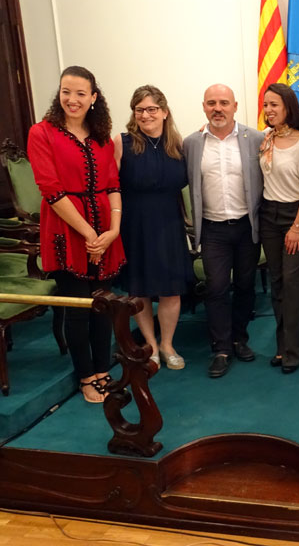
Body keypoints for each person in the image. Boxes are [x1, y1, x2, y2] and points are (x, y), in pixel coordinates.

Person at [27, 65, 125, 403]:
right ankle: (85, 376)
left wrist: (112, 230)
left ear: (94, 98)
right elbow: (50, 190)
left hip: (104, 230)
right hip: (66, 230)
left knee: (103, 305)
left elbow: (113, 184)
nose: (72, 99)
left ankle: (102, 368)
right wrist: (89, 234)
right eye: (66, 92)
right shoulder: (41, 133)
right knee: (79, 307)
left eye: (81, 93)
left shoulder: (101, 136)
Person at [184, 84, 263, 378]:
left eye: (224, 103)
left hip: (246, 226)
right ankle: (220, 348)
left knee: (245, 286)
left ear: (235, 106)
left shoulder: (254, 138)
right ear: (204, 106)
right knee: (216, 288)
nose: (218, 108)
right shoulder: (192, 143)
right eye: (212, 103)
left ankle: (240, 339)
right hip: (213, 229)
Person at [113, 85, 194, 371]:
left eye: (151, 109)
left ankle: (167, 344)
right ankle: (149, 344)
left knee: (172, 290)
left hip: (170, 224)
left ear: (164, 111)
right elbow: (111, 189)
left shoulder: (178, 144)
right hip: (135, 225)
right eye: (139, 110)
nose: (145, 115)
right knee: (141, 290)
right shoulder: (122, 143)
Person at [259, 83, 299, 374]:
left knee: (293, 284)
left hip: (296, 217)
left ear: (288, 108)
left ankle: (293, 350)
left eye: (275, 105)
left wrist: (296, 227)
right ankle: (280, 347)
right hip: (269, 215)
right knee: (277, 282)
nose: (269, 110)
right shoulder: (266, 139)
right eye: (266, 104)